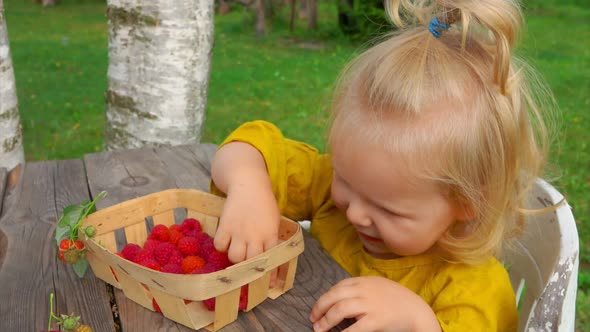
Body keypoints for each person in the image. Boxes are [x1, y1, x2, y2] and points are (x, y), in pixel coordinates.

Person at [209, 0, 556, 330]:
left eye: (388, 209)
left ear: (467, 202)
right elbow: (244, 148)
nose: (356, 213)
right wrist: (248, 185)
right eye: (345, 180)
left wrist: (420, 322)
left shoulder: (475, 290)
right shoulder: (340, 190)